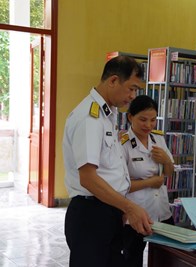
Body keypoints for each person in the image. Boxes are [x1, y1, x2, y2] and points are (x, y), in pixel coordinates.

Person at [63, 55, 153, 267]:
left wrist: (119, 208)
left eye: (136, 91)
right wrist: (129, 207)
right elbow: (88, 179)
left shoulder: (106, 114)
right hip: (91, 215)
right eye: (131, 89)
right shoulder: (90, 117)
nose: (132, 96)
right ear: (113, 81)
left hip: (106, 211)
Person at [120, 95, 175, 266]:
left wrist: (166, 160)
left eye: (153, 120)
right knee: (132, 258)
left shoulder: (157, 138)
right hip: (135, 214)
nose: (149, 125)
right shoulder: (123, 144)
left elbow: (169, 172)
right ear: (130, 117)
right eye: (143, 119)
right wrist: (149, 182)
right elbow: (119, 185)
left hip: (161, 209)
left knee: (165, 258)